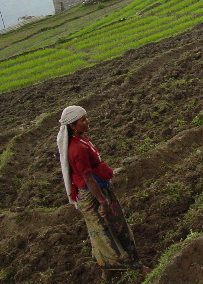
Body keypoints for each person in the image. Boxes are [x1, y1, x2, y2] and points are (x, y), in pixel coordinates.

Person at [56, 105, 150, 278]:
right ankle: (135, 266)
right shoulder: (77, 150)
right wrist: (103, 201)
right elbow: (88, 178)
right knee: (115, 229)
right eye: (83, 120)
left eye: (86, 118)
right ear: (73, 126)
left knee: (99, 232)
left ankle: (106, 269)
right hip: (94, 195)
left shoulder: (81, 140)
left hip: (96, 191)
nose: (87, 122)